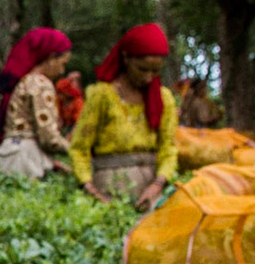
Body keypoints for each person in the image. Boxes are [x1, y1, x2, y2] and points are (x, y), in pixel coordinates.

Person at [71, 23, 179, 209]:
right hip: (108, 185)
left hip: (150, 188)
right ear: (126, 58)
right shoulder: (102, 95)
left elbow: (168, 148)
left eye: (155, 71)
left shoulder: (163, 99)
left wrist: (157, 185)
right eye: (142, 69)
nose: (148, 77)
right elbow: (79, 147)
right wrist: (90, 189)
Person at [0, 27, 73, 181]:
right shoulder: (40, 83)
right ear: (51, 58)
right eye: (62, 63)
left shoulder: (23, 82)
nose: (62, 71)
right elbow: (48, 138)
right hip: (26, 159)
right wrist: (77, 151)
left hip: (10, 154)